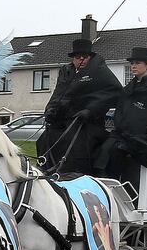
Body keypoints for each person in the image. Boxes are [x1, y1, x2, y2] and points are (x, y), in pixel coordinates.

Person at [37, 38, 122, 175]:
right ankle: (46, 169)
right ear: (73, 59)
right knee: (43, 139)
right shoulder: (66, 71)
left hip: (88, 122)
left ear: (90, 57)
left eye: (85, 57)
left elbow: (114, 92)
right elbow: (58, 93)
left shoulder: (100, 71)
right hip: (65, 119)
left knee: (75, 144)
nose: (81, 60)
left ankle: (77, 173)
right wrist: (50, 110)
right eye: (77, 57)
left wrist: (90, 110)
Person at [99, 47, 147, 195]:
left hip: (140, 140)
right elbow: (120, 113)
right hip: (122, 137)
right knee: (102, 156)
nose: (133, 66)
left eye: (137, 63)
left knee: (131, 177)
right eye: (132, 63)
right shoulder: (127, 89)